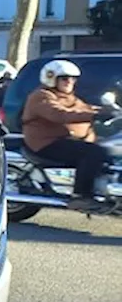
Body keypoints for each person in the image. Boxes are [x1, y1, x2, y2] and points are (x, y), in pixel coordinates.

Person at [21, 59, 107, 210]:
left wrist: (106, 111)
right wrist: (93, 115)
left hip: (67, 140)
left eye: (73, 79)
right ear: (51, 77)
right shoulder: (41, 96)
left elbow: (84, 108)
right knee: (93, 152)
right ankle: (80, 196)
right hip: (46, 143)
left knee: (108, 146)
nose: (69, 82)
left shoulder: (70, 98)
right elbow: (59, 114)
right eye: (64, 78)